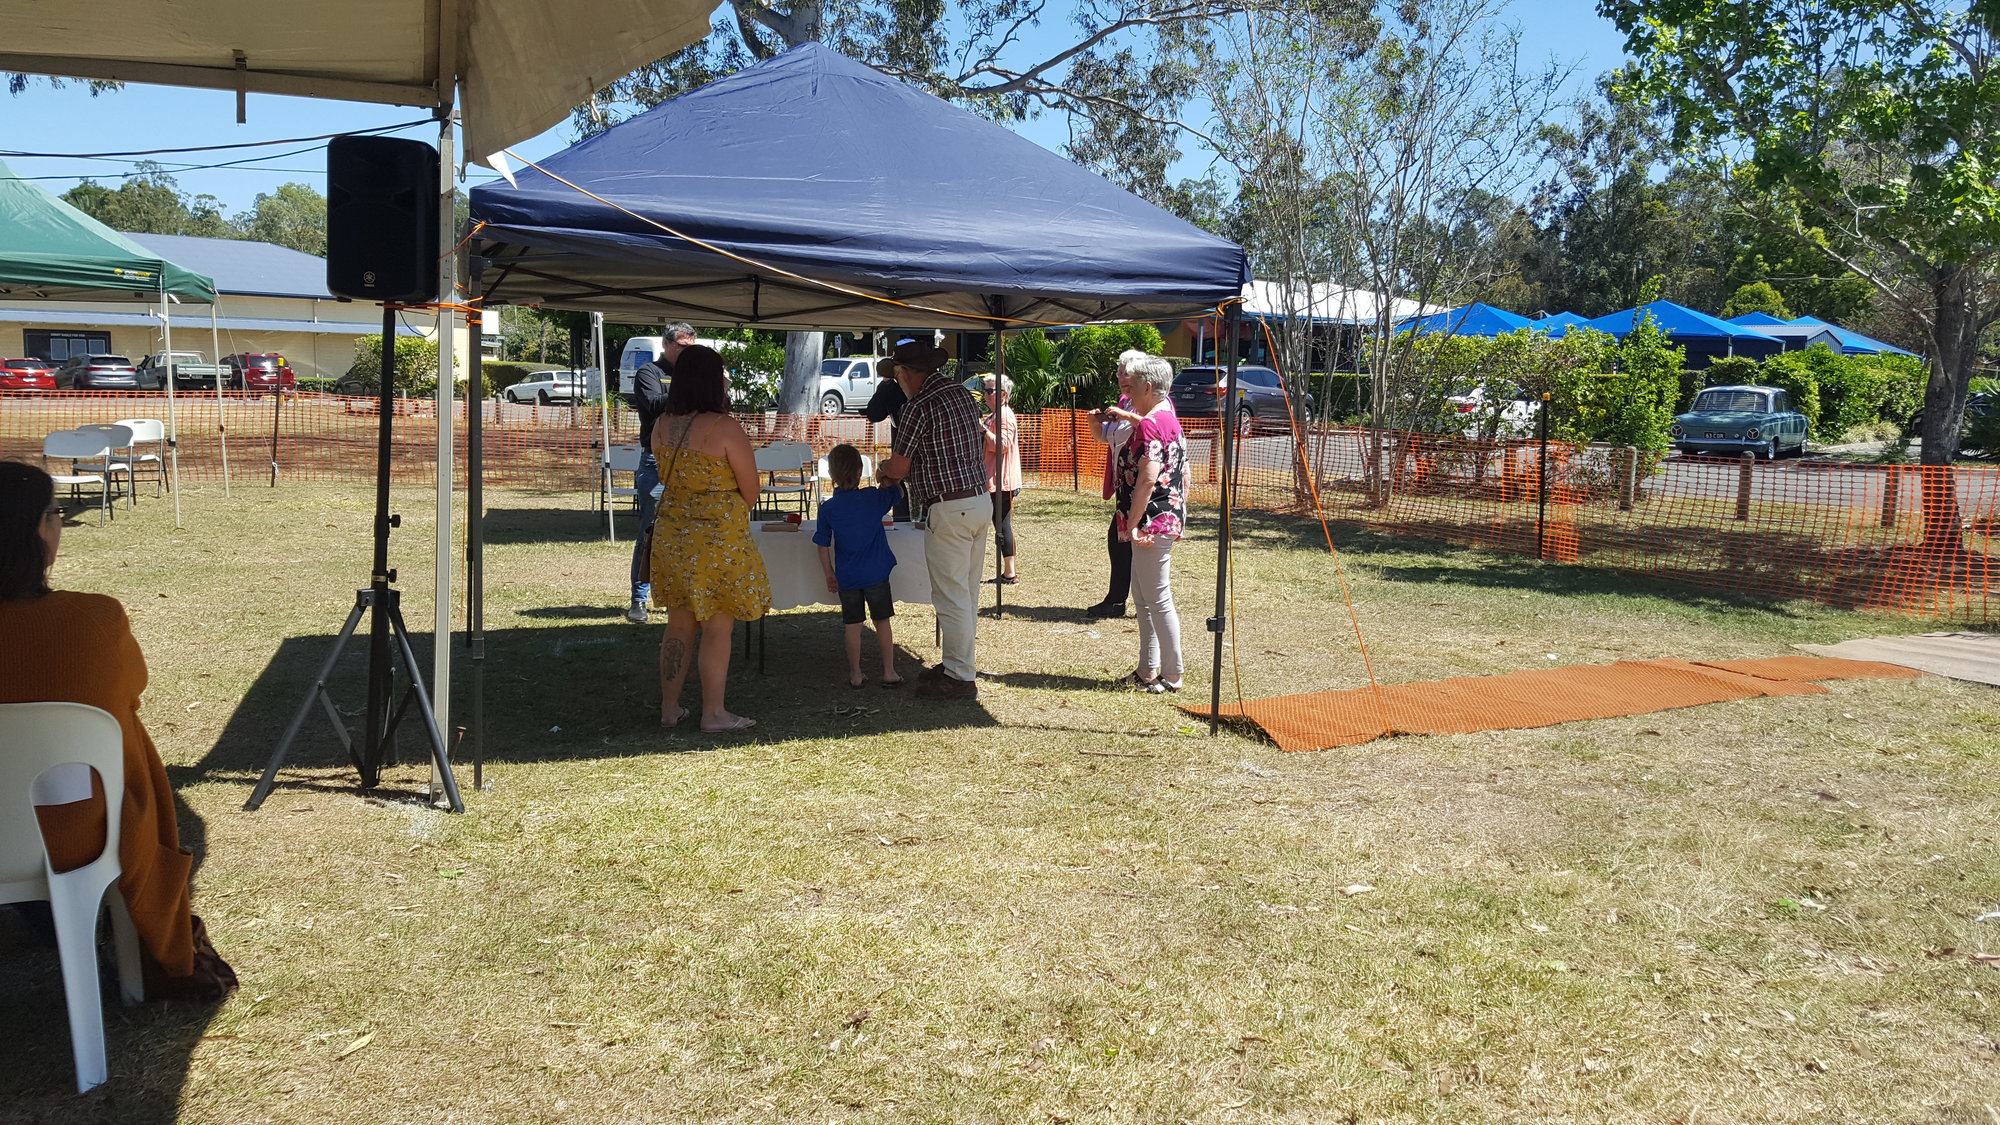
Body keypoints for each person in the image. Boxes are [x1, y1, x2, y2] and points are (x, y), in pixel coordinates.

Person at [0, 461, 238, 1001]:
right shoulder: (94, 621)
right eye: (56, 514)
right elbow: (131, 691)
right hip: (73, 837)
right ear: (37, 528)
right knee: (120, 730)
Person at [648, 346, 771, 732]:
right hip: (718, 540)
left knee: (678, 625)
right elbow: (751, 492)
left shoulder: (662, 425)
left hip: (672, 536)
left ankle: (670, 709)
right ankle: (713, 713)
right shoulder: (725, 428)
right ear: (713, 379)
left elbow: (665, 478)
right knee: (718, 626)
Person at [876, 339, 992, 701]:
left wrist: (884, 469)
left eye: (897, 376)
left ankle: (960, 675)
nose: (897, 383)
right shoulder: (960, 393)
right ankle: (959, 663)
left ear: (908, 373)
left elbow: (899, 465)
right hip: (978, 500)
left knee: (951, 595)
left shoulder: (918, 406)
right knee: (966, 593)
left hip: (949, 507)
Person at [1112, 354, 1189, 693]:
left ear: (1148, 386)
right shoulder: (1166, 418)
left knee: (1156, 599)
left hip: (1151, 520)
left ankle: (1172, 674)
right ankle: (1148, 670)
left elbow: (1147, 478)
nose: (1129, 394)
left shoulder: (1151, 423)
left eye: (1134, 385)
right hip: (1161, 517)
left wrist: (1132, 523)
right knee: (1143, 598)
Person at [813, 444, 904, 690]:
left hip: (847, 575)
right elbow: (897, 492)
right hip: (876, 572)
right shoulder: (873, 498)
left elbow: (822, 545)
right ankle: (889, 671)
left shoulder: (828, 508)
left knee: (853, 625)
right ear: (860, 469)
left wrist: (829, 574)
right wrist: (884, 478)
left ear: (831, 475)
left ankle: (855, 674)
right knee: (882, 621)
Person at [625, 322, 698, 624]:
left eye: (691, 348)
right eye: (682, 347)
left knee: (689, 529)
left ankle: (680, 594)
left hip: (690, 460)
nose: (686, 353)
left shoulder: (693, 377)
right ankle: (639, 599)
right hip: (655, 461)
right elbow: (655, 404)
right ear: (667, 345)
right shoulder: (648, 373)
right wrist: (693, 388)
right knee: (651, 530)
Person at [1084, 349, 1145, 619]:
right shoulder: (1125, 401)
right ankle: (1117, 601)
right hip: (1125, 484)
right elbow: (1104, 438)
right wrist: (1092, 422)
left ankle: (1131, 602)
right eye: (1119, 372)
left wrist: (1126, 415)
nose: (1122, 378)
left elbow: (1155, 428)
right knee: (1118, 542)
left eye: (1127, 373)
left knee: (1134, 545)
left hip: (1145, 484)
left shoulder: (1152, 403)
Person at [981, 373, 1022, 584]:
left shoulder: (1004, 415)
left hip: (1001, 480)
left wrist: (984, 430)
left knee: (1002, 525)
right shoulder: (996, 414)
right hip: (995, 478)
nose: (985, 395)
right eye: (985, 390)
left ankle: (1010, 572)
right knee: (1001, 524)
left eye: (989, 391)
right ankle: (1009, 571)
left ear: (1003, 395)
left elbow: (1002, 446)